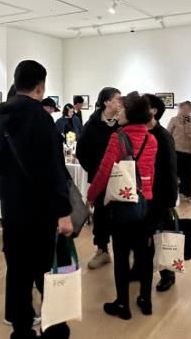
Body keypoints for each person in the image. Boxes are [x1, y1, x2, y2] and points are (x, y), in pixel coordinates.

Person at [0, 60, 73, 339]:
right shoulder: (40, 118)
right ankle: (55, 329)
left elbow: (0, 163)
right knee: (48, 271)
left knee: (17, 271)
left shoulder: (1, 115)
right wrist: (63, 211)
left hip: (12, 207)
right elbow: (53, 169)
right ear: (40, 87)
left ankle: (21, 330)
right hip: (41, 210)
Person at [87, 92, 158, 320]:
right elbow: (150, 173)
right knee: (144, 255)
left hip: (123, 205)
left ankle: (123, 304)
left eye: (123, 108)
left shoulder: (117, 138)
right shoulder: (151, 139)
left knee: (121, 255)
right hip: (145, 204)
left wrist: (91, 195)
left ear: (131, 114)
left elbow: (104, 171)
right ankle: (145, 300)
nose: (119, 111)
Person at [76, 87, 122, 270]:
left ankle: (124, 251)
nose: (120, 102)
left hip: (121, 177)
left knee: (122, 214)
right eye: (117, 99)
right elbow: (81, 151)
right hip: (99, 177)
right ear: (106, 102)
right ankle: (102, 250)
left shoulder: (123, 123)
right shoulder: (92, 124)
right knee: (101, 214)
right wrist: (95, 170)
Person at [144, 94, 179, 292]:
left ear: (153, 111)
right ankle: (140, 269)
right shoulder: (140, 132)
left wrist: (170, 199)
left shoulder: (163, 136)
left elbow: (170, 170)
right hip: (144, 195)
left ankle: (168, 273)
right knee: (144, 235)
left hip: (160, 195)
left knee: (162, 236)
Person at [167, 101, 191, 200]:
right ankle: (175, 192)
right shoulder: (174, 120)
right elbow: (167, 135)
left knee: (187, 174)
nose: (186, 110)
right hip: (176, 151)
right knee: (176, 173)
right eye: (184, 108)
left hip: (188, 151)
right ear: (180, 109)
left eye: (188, 109)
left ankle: (187, 192)